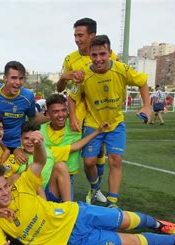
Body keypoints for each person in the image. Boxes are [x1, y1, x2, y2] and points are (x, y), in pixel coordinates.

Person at [0, 131, 175, 245]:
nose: (5, 192)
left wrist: (39, 146)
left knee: (125, 219)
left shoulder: (20, 184)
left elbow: (40, 162)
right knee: (130, 243)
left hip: (76, 213)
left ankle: (159, 225)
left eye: (4, 185)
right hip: (73, 239)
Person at [68, 35, 151, 208]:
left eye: (102, 54)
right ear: (89, 55)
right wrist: (74, 117)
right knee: (89, 162)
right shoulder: (84, 75)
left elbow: (142, 82)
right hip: (93, 123)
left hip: (115, 123)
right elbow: (72, 97)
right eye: (94, 55)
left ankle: (113, 201)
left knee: (115, 159)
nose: (98, 59)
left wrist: (146, 106)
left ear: (110, 53)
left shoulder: (122, 69)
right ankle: (95, 188)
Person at [57, 18, 118, 205]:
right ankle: (66, 193)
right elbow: (60, 88)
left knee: (98, 153)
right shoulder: (70, 59)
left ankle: (94, 189)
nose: (76, 39)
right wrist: (64, 77)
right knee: (75, 156)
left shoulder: (108, 56)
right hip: (75, 115)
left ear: (92, 35)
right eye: (75, 35)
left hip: (98, 114)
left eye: (80, 35)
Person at [40, 94, 108, 200]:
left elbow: (84, 99)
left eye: (63, 110)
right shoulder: (40, 131)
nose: (61, 115)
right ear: (48, 114)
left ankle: (95, 187)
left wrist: (97, 132)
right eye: (55, 111)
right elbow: (74, 147)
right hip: (43, 178)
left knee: (66, 211)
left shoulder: (74, 125)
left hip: (66, 178)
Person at [0, 61, 47, 151]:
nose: (18, 82)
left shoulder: (28, 96)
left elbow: (33, 119)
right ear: (5, 78)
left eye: (21, 78)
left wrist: (52, 115)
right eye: (14, 78)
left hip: (16, 146)